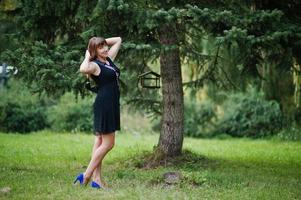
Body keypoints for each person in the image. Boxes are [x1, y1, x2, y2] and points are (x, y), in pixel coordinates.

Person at [74, 36, 122, 189]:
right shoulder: (94, 65)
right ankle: (86, 176)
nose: (105, 49)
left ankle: (97, 180)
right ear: (95, 51)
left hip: (111, 104)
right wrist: (89, 53)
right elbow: (82, 69)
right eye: (101, 48)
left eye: (105, 46)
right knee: (109, 144)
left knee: (100, 142)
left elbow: (118, 40)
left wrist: (99, 43)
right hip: (105, 105)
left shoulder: (108, 60)